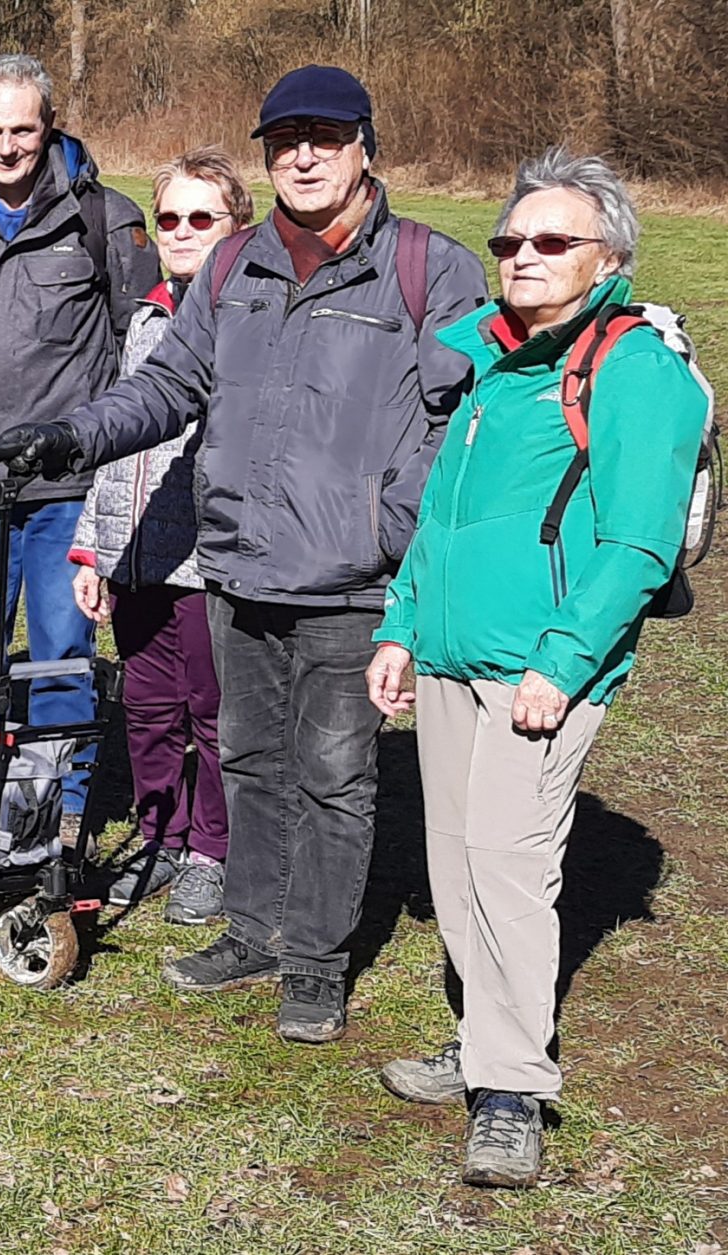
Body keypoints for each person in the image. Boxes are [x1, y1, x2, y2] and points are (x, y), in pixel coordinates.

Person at [0, 65, 489, 1043]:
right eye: (284, 137)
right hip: (239, 568)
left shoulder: (431, 268)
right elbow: (167, 385)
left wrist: (392, 533)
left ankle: (314, 961)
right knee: (252, 761)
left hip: (353, 581)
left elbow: (455, 429)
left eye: (325, 136)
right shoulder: (229, 269)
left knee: (333, 775)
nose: (302, 153)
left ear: (363, 148)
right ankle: (253, 928)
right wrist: (72, 437)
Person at [365, 149, 706, 1189]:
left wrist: (561, 661)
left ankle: (510, 1086)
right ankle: (479, 1041)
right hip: (454, 658)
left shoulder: (635, 368)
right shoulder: (494, 360)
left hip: (540, 670)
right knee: (456, 857)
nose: (521, 257)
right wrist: (400, 624)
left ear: (606, 256)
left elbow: (639, 543)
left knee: (509, 865)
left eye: (550, 241)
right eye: (508, 240)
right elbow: (442, 517)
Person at [0, 53, 158, 826]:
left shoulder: (105, 219)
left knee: (60, 656)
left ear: (49, 123)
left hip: (65, 486)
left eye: (23, 128)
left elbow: (138, 343)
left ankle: (55, 811)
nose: (9, 146)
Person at [67, 147, 251, 923]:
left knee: (213, 715)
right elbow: (125, 442)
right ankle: (159, 841)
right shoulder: (146, 316)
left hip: (208, 563)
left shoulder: (251, 320)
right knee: (146, 711)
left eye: (200, 218)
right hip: (139, 556)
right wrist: (94, 547)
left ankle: (213, 850)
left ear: (238, 228)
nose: (181, 231)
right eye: (169, 217)